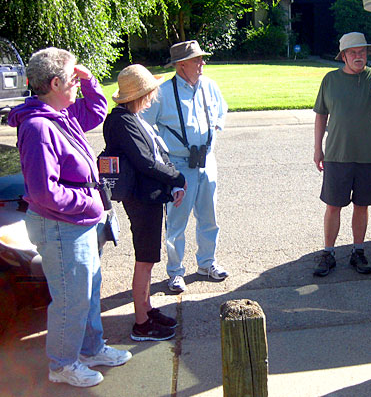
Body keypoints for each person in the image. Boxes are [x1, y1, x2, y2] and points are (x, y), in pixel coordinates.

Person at [7, 47, 131, 387]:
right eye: (73, 79)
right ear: (56, 82)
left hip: (77, 223)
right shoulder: (37, 127)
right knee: (71, 298)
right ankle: (62, 365)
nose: (77, 83)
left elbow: (96, 109)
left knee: (88, 291)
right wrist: (87, 201)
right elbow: (45, 192)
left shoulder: (60, 115)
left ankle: (91, 349)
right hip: (62, 226)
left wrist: (90, 81)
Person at [104, 64, 187, 340]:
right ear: (141, 94)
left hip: (148, 196)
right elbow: (144, 161)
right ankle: (141, 323)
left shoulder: (131, 117)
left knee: (148, 258)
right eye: (150, 91)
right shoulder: (121, 121)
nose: (153, 95)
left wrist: (171, 181)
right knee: (145, 259)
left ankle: (147, 308)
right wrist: (177, 178)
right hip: (141, 199)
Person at [142, 40, 228, 293]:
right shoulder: (162, 92)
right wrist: (161, 157)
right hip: (178, 165)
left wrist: (214, 130)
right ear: (181, 65)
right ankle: (176, 272)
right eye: (197, 60)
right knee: (176, 222)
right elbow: (144, 126)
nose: (203, 63)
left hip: (206, 160)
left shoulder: (209, 86)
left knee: (209, 217)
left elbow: (222, 110)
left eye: (202, 59)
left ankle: (207, 263)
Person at [313, 32, 371, 277]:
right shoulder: (330, 80)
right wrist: (318, 148)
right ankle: (328, 252)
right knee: (333, 205)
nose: (359, 57)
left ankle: (358, 251)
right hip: (337, 153)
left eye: (363, 52)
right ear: (344, 56)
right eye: (353, 53)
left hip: (368, 154)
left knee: (362, 205)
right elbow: (320, 115)